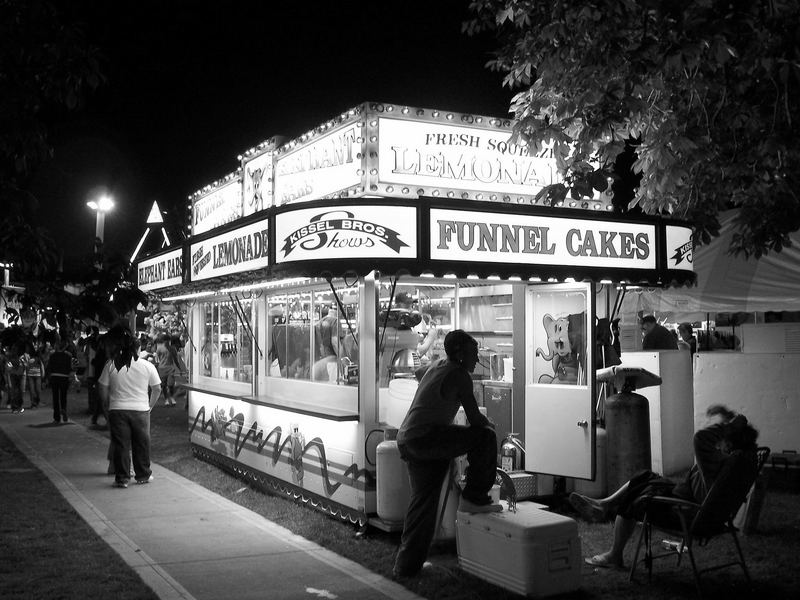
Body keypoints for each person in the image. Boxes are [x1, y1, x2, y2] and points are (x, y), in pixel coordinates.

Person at [569, 404, 759, 568]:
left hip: (685, 511)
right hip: (695, 505)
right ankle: (604, 504)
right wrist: (731, 421)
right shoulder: (742, 463)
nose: (718, 443)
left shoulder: (716, 464)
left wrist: (731, 425)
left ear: (729, 442)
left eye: (723, 439)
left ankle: (613, 553)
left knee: (636, 498)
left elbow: (701, 438)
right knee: (645, 476)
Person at [393, 329, 501, 580]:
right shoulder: (459, 375)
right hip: (425, 438)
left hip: (410, 438)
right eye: (474, 354)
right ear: (460, 354)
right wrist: (490, 425)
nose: (477, 360)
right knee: (486, 437)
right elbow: (475, 420)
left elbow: (423, 379)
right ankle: (474, 496)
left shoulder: (438, 365)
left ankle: (407, 565)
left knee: (423, 503)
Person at [98, 325, 161, 488]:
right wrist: (150, 405)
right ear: (138, 349)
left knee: (121, 444)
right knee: (141, 443)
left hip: (117, 409)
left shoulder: (111, 364)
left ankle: (122, 478)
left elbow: (102, 387)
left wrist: (106, 405)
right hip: (140, 409)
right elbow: (157, 388)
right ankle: (143, 474)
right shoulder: (147, 366)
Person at [47, 339, 74, 423]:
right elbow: (71, 367)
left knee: (55, 398)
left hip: (55, 377)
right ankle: (63, 408)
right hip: (64, 377)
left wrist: (47, 378)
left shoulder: (52, 355)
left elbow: (49, 367)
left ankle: (57, 418)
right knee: (63, 396)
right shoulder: (68, 355)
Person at [312, 306, 340, 381]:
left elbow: (319, 343)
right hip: (333, 360)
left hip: (323, 359)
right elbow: (335, 342)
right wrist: (341, 357)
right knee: (334, 383)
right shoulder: (335, 321)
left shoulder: (320, 322)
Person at [23, 341, 45, 409]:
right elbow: (25, 365)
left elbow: (41, 365)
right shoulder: (26, 356)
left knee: (38, 390)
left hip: (38, 375)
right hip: (30, 375)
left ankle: (37, 401)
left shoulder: (38, 357)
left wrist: (43, 374)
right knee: (32, 390)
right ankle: (33, 404)